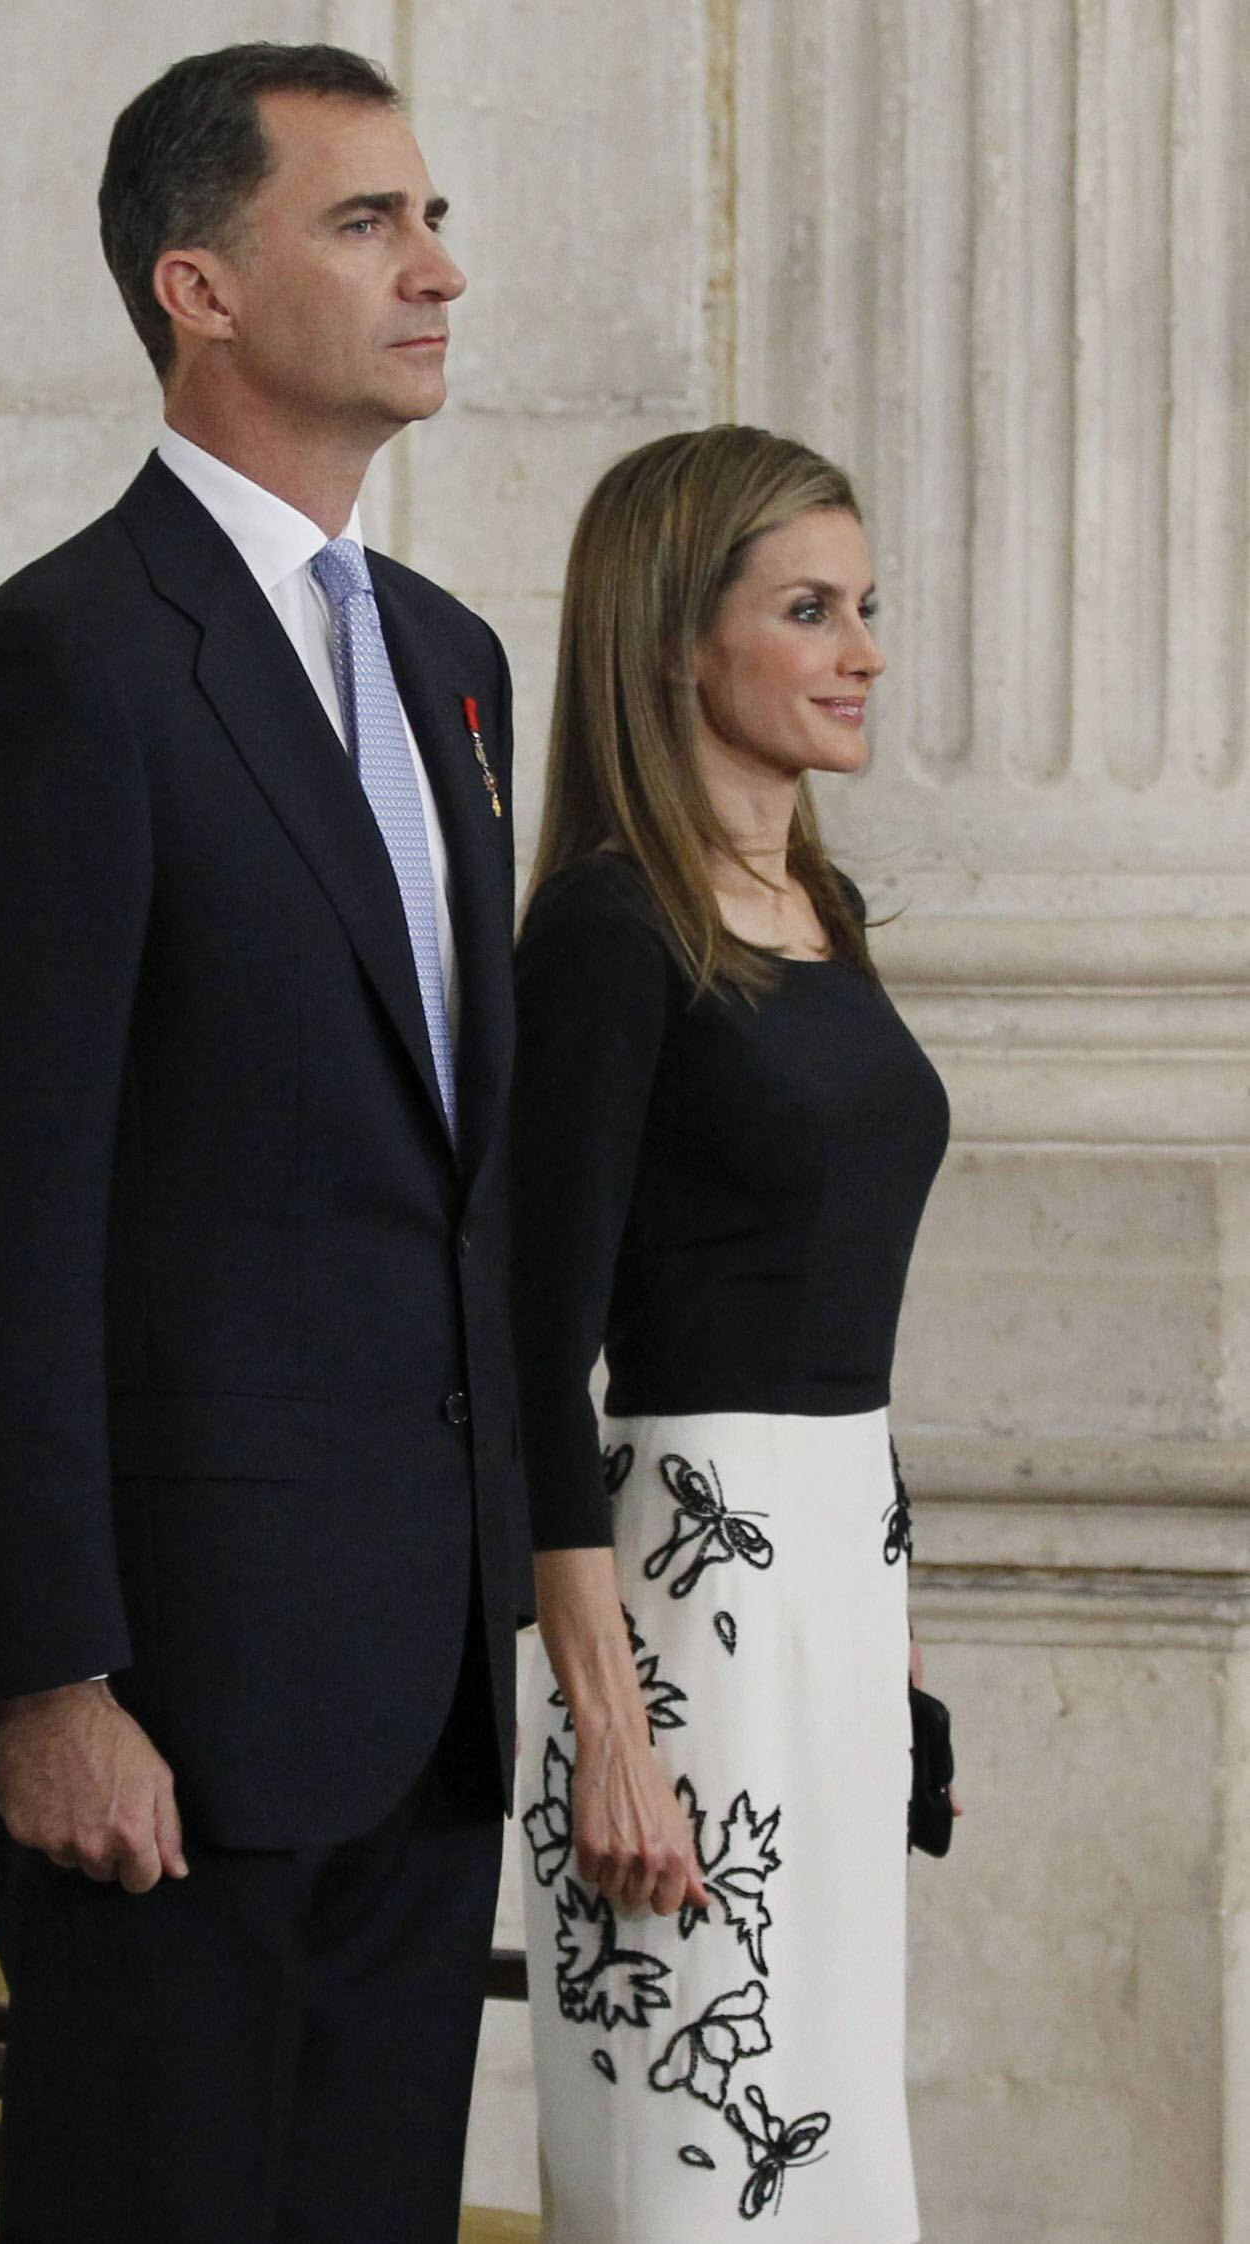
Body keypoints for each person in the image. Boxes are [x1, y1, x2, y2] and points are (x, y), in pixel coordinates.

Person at [0, 42, 525, 2244]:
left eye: (432, 219)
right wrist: (47, 1674)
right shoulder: (64, 666)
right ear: (198, 287)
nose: (436, 269)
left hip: (421, 1689)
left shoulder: (448, 663)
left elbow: (451, 1180)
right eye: (368, 222)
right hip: (176, 1704)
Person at [511, 425, 946, 2241]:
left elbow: (837, 1310)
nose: (863, 653)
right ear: (679, 640)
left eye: (865, 608)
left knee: (832, 2148)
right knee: (705, 2162)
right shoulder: (611, 932)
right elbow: (529, 1353)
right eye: (809, 611)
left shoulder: (819, 914)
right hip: (683, 1600)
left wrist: (895, 1641)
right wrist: (610, 1726)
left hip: (839, 1578)